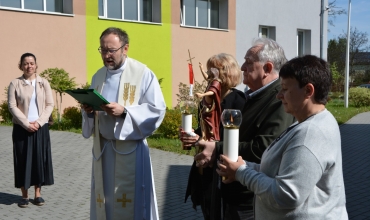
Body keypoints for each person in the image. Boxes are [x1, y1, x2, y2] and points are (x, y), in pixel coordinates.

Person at [217, 55, 349, 220]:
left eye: (285, 89)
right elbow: (280, 170)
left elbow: (286, 195)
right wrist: (245, 166)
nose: (279, 95)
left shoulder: (310, 133)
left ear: (308, 91)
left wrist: (241, 173)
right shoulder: (310, 122)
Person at [189, 38, 295, 220]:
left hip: (250, 198)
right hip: (235, 190)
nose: (243, 67)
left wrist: (217, 148)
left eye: (249, 62)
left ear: (267, 69)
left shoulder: (277, 100)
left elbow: (265, 148)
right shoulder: (254, 96)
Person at [80, 27, 166, 220]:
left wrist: (125, 112)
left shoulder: (142, 73)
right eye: (103, 50)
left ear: (125, 48)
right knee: (105, 202)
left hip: (131, 151)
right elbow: (93, 110)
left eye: (111, 50)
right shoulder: (98, 76)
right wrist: (89, 112)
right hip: (104, 151)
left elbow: (157, 110)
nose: (107, 55)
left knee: (131, 202)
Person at [182, 53, 246, 219]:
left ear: (226, 73)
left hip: (223, 170)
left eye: (213, 71)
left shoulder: (238, 101)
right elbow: (205, 128)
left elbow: (235, 136)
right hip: (204, 168)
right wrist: (193, 135)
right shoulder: (208, 100)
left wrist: (206, 142)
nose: (209, 75)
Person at [8, 53, 54, 208]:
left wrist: (40, 123)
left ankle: (38, 194)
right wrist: (26, 123)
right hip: (22, 129)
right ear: (21, 65)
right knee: (22, 161)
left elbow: (50, 104)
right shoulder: (15, 83)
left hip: (40, 129)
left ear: (36, 65)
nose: (29, 66)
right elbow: (12, 106)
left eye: (32, 63)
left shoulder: (43, 83)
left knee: (38, 160)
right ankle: (24, 196)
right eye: (26, 63)